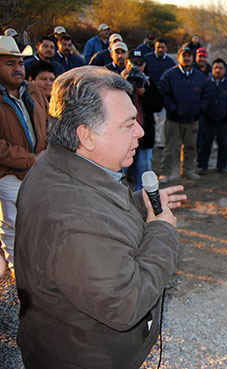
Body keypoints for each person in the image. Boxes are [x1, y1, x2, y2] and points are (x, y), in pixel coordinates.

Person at [15, 66, 185, 368]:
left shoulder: (60, 164)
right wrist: (162, 231)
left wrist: (137, 204)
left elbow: (98, 215)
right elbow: (126, 304)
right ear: (87, 135)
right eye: (129, 123)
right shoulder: (75, 218)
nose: (141, 132)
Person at [0, 36, 48, 278]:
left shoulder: (32, 90)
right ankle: (20, 277)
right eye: (10, 63)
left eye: (20, 63)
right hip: (9, 174)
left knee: (39, 222)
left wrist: (46, 154)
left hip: (38, 170)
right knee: (13, 227)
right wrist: (30, 159)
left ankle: (38, 272)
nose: (18, 68)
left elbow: (47, 123)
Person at [158, 45, 205, 182]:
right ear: (178, 58)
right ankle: (165, 172)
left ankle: (188, 170)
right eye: (184, 56)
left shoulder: (199, 76)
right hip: (174, 120)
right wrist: (173, 109)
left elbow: (205, 95)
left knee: (191, 147)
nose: (187, 58)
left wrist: (199, 109)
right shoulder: (169, 75)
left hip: (192, 120)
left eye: (189, 56)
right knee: (170, 148)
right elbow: (163, 93)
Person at [122, 49, 163, 190]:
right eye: (134, 63)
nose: (137, 67)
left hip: (144, 137)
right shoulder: (117, 81)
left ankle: (143, 206)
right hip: (123, 138)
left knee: (144, 178)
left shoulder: (148, 82)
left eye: (140, 64)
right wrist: (123, 84)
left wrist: (143, 92)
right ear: (127, 63)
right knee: (119, 177)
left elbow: (158, 105)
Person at [197, 58, 227, 174]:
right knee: (206, 143)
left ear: (225, 70)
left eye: (221, 68)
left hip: (224, 121)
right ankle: (202, 165)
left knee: (223, 144)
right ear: (212, 69)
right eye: (216, 68)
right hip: (208, 120)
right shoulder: (206, 83)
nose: (218, 70)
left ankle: (222, 166)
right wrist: (204, 110)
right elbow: (200, 99)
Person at [144, 39, 175, 149]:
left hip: (163, 94)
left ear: (166, 48)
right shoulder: (147, 59)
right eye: (158, 47)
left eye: (162, 47)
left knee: (162, 119)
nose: (160, 49)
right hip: (149, 93)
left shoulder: (170, 62)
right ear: (155, 48)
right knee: (150, 119)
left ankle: (160, 141)